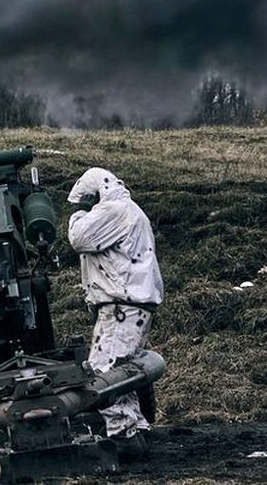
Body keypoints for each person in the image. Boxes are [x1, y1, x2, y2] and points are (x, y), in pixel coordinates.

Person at [67, 167, 164, 462]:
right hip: (129, 304)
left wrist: (78, 214)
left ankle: (124, 437)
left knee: (103, 374)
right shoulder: (127, 209)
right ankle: (137, 429)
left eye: (86, 201)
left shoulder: (115, 210)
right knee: (122, 372)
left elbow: (79, 237)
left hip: (122, 305)